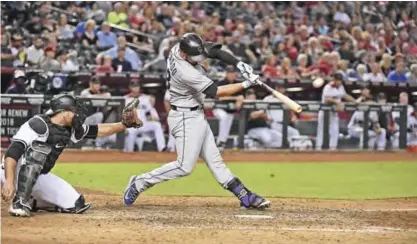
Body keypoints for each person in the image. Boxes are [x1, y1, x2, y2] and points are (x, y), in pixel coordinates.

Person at [123, 33, 269, 210]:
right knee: (184, 166)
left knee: (216, 161)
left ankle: (245, 196)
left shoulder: (180, 48)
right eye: (196, 57)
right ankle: (139, 182)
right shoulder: (186, 72)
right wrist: (247, 84)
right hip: (184, 118)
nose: (201, 60)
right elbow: (217, 92)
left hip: (196, 114)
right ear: (184, 54)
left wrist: (238, 63)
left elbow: (215, 51)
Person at [1, 93, 141, 217]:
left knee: (76, 203)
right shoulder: (38, 124)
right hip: (13, 170)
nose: (79, 114)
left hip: (38, 175)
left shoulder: (71, 129)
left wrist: (124, 124)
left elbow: (99, 130)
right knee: (39, 150)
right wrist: (9, 180)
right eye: (75, 110)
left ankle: (33, 200)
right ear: (64, 112)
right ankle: (19, 202)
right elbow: (13, 152)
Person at [316, 72, 356, 150]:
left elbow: (345, 95)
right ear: (334, 79)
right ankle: (318, 148)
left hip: (334, 113)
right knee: (321, 130)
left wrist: (355, 101)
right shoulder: (328, 87)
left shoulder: (341, 87)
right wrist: (337, 102)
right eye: (337, 80)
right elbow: (327, 98)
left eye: (339, 80)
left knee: (334, 130)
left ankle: (333, 148)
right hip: (325, 112)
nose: (338, 81)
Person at [123, 79, 166, 152]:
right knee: (129, 145)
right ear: (130, 87)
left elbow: (148, 113)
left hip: (143, 124)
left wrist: (152, 118)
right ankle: (128, 153)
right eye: (133, 86)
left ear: (139, 87)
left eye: (137, 86)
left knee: (157, 125)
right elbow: (122, 115)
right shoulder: (125, 99)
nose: (136, 88)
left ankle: (162, 148)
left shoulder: (145, 98)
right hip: (131, 126)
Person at [212, 66, 244, 150]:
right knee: (224, 117)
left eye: (233, 73)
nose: (232, 75)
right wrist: (235, 98)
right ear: (226, 74)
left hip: (230, 110)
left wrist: (239, 100)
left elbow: (241, 96)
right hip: (218, 108)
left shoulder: (237, 83)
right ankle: (220, 142)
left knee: (228, 121)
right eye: (230, 73)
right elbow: (220, 98)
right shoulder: (221, 82)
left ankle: (221, 144)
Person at [80, 77, 114, 148]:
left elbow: (108, 108)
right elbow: (90, 97)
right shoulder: (84, 92)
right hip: (83, 121)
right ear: (90, 84)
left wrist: (106, 96)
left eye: (98, 84)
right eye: (95, 84)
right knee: (99, 115)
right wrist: (104, 95)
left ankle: (93, 143)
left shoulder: (99, 94)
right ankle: (92, 141)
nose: (97, 86)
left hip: (93, 122)